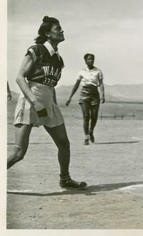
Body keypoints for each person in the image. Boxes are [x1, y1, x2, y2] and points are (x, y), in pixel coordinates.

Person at [7, 16, 87, 189]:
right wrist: (35, 102)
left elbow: (50, 85)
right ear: (47, 33)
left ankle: (65, 179)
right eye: (58, 28)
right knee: (19, 153)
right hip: (31, 97)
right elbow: (19, 78)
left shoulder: (58, 59)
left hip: (49, 100)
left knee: (64, 144)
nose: (62, 31)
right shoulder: (36, 49)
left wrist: (53, 106)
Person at [66, 53, 105, 145]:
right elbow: (76, 85)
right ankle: (86, 136)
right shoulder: (81, 72)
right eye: (89, 59)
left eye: (92, 59)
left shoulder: (98, 71)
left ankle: (91, 131)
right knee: (86, 116)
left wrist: (103, 95)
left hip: (95, 94)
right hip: (84, 94)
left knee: (94, 116)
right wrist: (70, 97)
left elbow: (101, 84)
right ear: (85, 61)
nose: (91, 60)